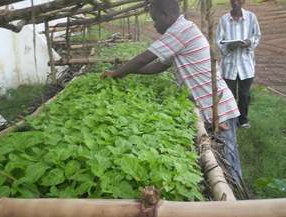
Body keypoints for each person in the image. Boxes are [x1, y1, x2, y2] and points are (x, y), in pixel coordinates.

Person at [102, 0, 242, 181]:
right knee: (218, 160)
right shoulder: (180, 32)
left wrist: (116, 73)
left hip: (219, 106)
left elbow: (146, 57)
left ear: (165, 16)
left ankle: (237, 207)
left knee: (229, 164)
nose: (154, 25)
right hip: (210, 105)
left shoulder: (180, 30)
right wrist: (127, 72)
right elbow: (159, 65)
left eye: (154, 20)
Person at [216, 0, 261, 128]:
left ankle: (243, 120)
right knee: (229, 94)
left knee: (244, 94)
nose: (236, 2)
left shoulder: (251, 17)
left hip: (246, 65)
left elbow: (257, 35)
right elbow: (218, 40)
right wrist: (229, 47)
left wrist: (249, 42)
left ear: (243, 1)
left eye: (239, 0)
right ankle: (230, 119)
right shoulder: (224, 19)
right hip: (229, 65)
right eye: (233, 0)